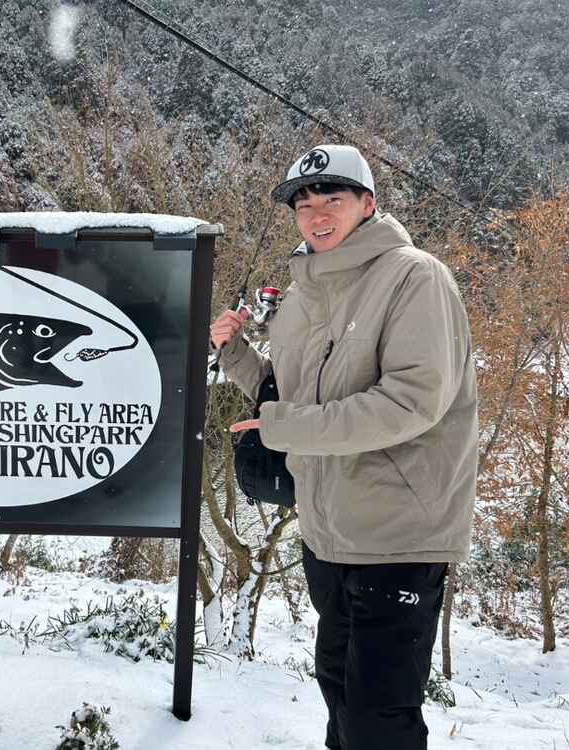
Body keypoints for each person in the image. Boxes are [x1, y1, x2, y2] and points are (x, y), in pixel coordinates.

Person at [210, 144, 477, 750]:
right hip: (326, 532)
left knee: (377, 719)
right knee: (338, 693)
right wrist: (234, 354)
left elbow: (411, 402)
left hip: (399, 533)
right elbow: (287, 396)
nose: (317, 214)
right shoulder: (304, 293)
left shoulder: (414, 276)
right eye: (304, 204)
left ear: (368, 204)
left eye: (333, 198)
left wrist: (284, 427)